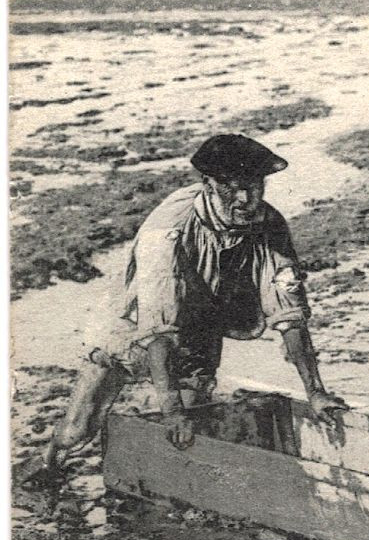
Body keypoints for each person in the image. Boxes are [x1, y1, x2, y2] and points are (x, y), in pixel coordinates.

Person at [29, 134, 347, 480]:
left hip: (201, 322)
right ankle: (46, 465)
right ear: (208, 184)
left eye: (254, 187)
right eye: (231, 188)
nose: (244, 199)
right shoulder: (168, 233)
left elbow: (289, 312)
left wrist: (315, 392)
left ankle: (164, 486)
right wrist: (170, 410)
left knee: (194, 425)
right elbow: (158, 329)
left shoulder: (268, 225)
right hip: (132, 322)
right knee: (78, 430)